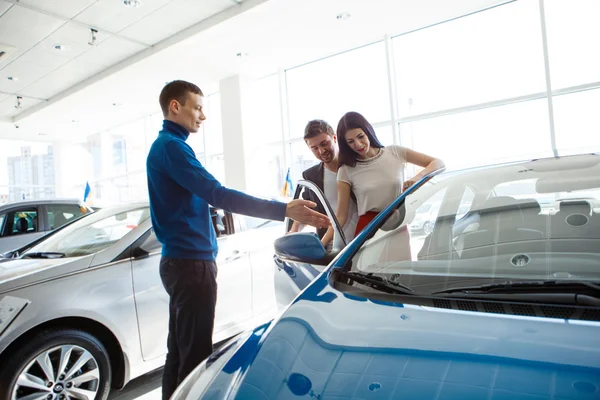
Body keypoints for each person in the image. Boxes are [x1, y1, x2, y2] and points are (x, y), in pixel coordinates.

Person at [146, 80, 330, 400]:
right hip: (191, 264)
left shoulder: (166, 146)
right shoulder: (172, 147)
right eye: (198, 107)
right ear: (176, 106)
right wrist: (284, 209)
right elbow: (218, 194)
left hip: (180, 261)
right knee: (194, 357)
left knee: (178, 351)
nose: (203, 116)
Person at [321, 111, 444, 250]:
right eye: (351, 142)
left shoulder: (395, 152)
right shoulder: (346, 170)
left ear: (368, 131)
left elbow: (438, 163)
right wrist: (322, 245)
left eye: (360, 136)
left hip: (398, 226)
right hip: (368, 231)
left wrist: (417, 178)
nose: (358, 144)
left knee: (401, 269)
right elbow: (341, 216)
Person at [288, 119, 359, 243]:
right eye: (314, 148)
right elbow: (306, 208)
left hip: (367, 240)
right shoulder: (311, 176)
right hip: (334, 247)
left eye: (324, 143)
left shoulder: (357, 165)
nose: (321, 151)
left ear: (335, 138)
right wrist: (293, 231)